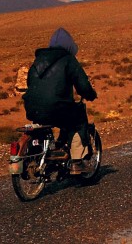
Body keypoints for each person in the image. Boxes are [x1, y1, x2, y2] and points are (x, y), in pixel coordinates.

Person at [22, 28, 98, 172]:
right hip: (57, 107)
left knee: (47, 122)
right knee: (78, 119)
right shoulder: (69, 60)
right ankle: (77, 161)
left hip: (32, 108)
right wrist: (91, 94)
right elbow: (82, 84)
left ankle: (47, 153)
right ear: (69, 46)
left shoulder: (37, 62)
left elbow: (31, 84)